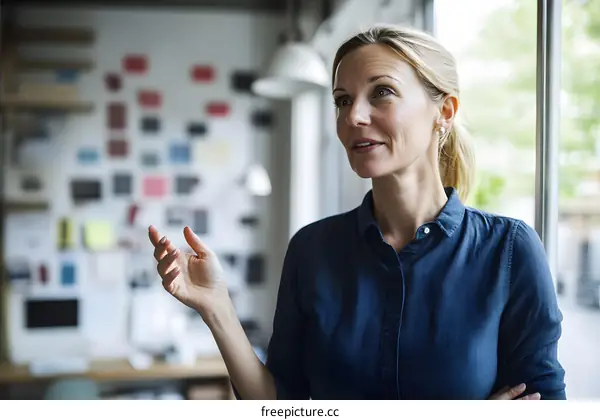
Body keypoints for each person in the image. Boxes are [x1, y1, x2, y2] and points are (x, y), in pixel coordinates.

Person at [148, 24, 566, 400]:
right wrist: (216, 308)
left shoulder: (509, 251)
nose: (354, 116)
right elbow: (281, 406)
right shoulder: (311, 249)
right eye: (342, 100)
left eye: (381, 92)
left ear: (444, 112)